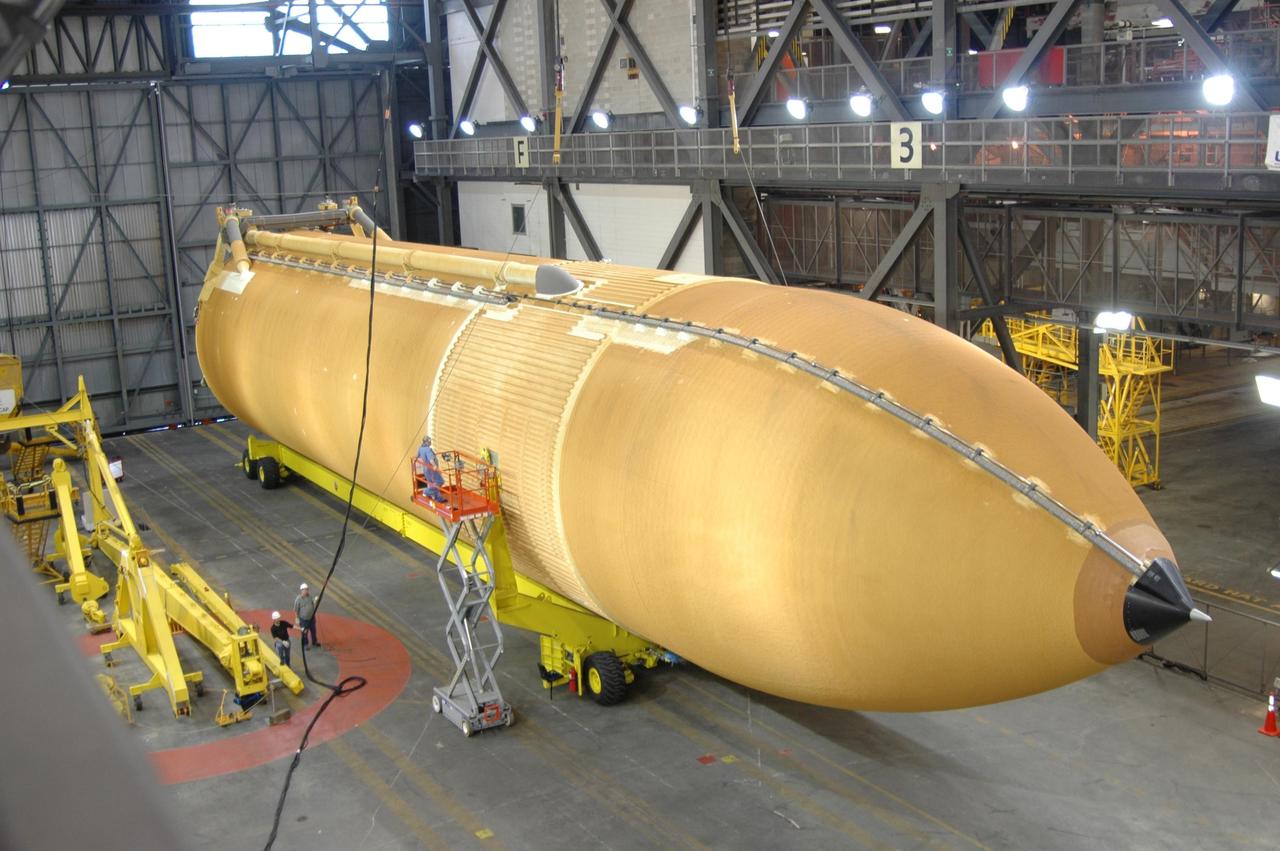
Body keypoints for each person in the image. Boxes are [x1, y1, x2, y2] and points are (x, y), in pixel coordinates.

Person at [416, 435, 446, 502]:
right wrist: (435, 466)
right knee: (440, 481)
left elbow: (417, 457)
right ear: (426, 442)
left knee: (432, 483)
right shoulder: (428, 449)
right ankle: (426, 492)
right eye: (429, 441)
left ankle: (438, 498)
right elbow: (431, 460)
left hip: (426, 469)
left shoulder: (420, 448)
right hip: (431, 470)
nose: (430, 442)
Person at [294, 582, 319, 649]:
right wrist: (297, 618)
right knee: (304, 632)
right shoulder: (298, 599)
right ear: (301, 590)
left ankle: (314, 641)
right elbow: (296, 610)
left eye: (307, 589)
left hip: (311, 618)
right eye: (305, 590)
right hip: (304, 620)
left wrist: (315, 601)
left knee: (313, 631)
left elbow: (312, 603)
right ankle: (305, 644)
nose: (307, 591)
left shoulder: (309, 596)